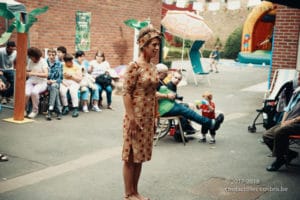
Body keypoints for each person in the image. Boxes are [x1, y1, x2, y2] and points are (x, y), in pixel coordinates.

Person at [122, 25, 161, 200]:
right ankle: (128, 193)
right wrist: (131, 118)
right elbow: (126, 93)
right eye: (153, 44)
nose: (156, 48)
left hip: (147, 118)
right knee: (130, 157)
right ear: (143, 44)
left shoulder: (153, 67)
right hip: (134, 118)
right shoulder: (134, 66)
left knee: (140, 156)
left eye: (158, 45)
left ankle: (136, 191)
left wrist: (156, 115)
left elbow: (153, 93)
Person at [156, 64, 224, 138]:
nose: (166, 75)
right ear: (159, 72)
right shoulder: (156, 82)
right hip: (164, 108)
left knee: (188, 110)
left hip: (168, 105)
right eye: (165, 73)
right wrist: (167, 96)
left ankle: (184, 131)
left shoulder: (160, 80)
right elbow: (153, 95)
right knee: (187, 111)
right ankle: (210, 123)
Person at [262, 87, 300, 171]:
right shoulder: (297, 92)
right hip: (289, 121)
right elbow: (287, 109)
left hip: (297, 123)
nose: (298, 81)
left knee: (280, 132)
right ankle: (289, 153)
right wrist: (283, 122)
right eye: (298, 78)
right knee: (266, 136)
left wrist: (291, 121)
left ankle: (279, 160)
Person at [25, 47, 49, 119]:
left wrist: (34, 73)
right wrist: (27, 73)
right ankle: (24, 109)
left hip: (41, 82)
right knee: (26, 93)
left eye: (32, 57)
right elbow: (27, 71)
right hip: (31, 81)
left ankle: (35, 111)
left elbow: (46, 75)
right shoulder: (30, 61)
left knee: (34, 92)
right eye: (30, 57)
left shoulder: (43, 61)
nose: (32, 59)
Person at [59, 53, 82, 118]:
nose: (71, 62)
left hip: (74, 81)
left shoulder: (77, 66)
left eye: (71, 61)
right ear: (65, 61)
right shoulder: (61, 65)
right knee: (62, 91)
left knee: (73, 91)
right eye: (69, 62)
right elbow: (58, 76)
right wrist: (62, 81)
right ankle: (65, 107)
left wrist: (71, 76)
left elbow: (79, 79)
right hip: (64, 81)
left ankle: (75, 108)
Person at [46, 48, 63, 120]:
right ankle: (59, 111)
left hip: (55, 83)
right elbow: (43, 75)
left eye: (53, 55)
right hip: (45, 83)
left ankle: (50, 110)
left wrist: (53, 81)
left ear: (55, 55)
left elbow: (60, 78)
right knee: (55, 91)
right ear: (47, 55)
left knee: (54, 86)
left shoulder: (59, 63)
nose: (51, 56)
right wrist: (46, 81)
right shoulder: (45, 62)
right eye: (49, 55)